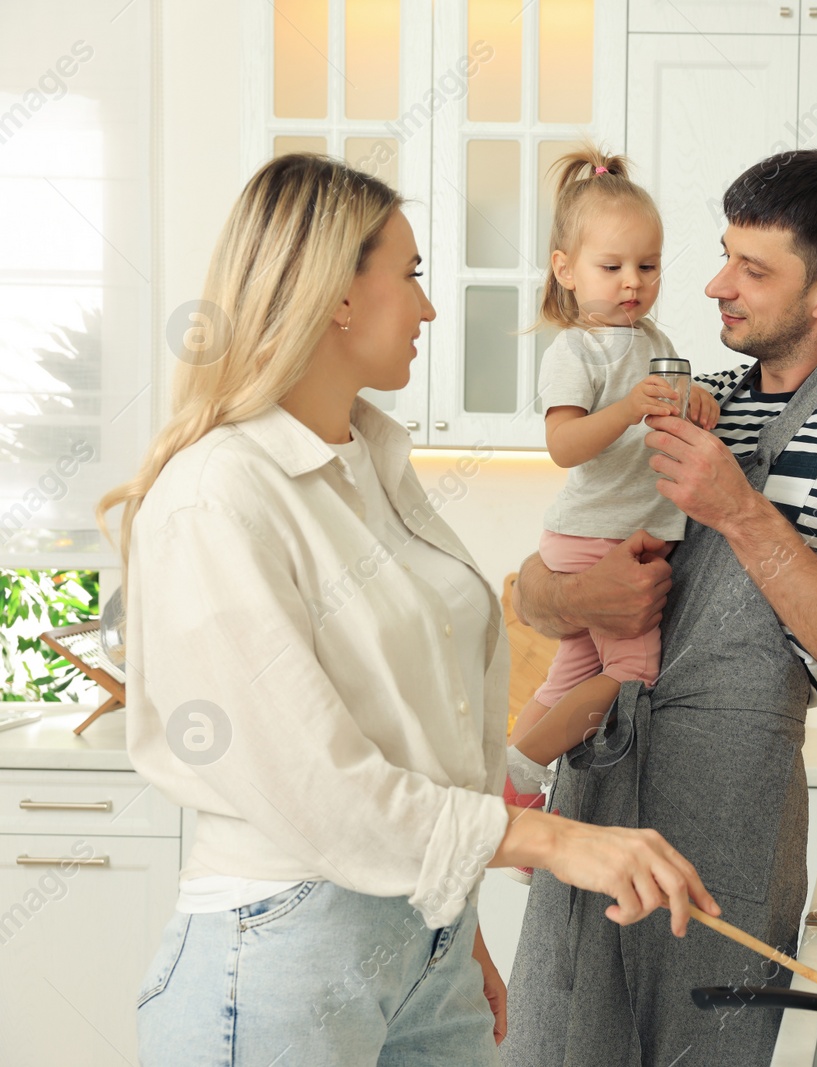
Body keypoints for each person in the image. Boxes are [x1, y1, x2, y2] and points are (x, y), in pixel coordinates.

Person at [99, 153, 718, 1066]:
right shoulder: (217, 497)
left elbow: (420, 729)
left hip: (422, 938)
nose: (429, 306)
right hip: (282, 953)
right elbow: (316, 781)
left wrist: (450, 935)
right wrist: (550, 839)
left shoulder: (371, 466)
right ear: (338, 296)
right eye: (413, 274)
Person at [501, 149, 817, 1067]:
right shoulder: (684, 395)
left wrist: (739, 510)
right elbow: (532, 590)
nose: (715, 285)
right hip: (595, 800)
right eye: (721, 255)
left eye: (753, 269)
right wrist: (580, 593)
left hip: (730, 818)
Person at [501, 146, 719, 867]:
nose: (632, 283)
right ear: (565, 269)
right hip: (591, 539)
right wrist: (628, 406)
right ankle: (527, 770)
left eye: (647, 267)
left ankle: (508, 786)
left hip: (617, 535)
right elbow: (564, 445)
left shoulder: (654, 341)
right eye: (612, 266)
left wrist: (695, 403)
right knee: (631, 676)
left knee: (570, 677)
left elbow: (666, 420)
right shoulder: (575, 349)